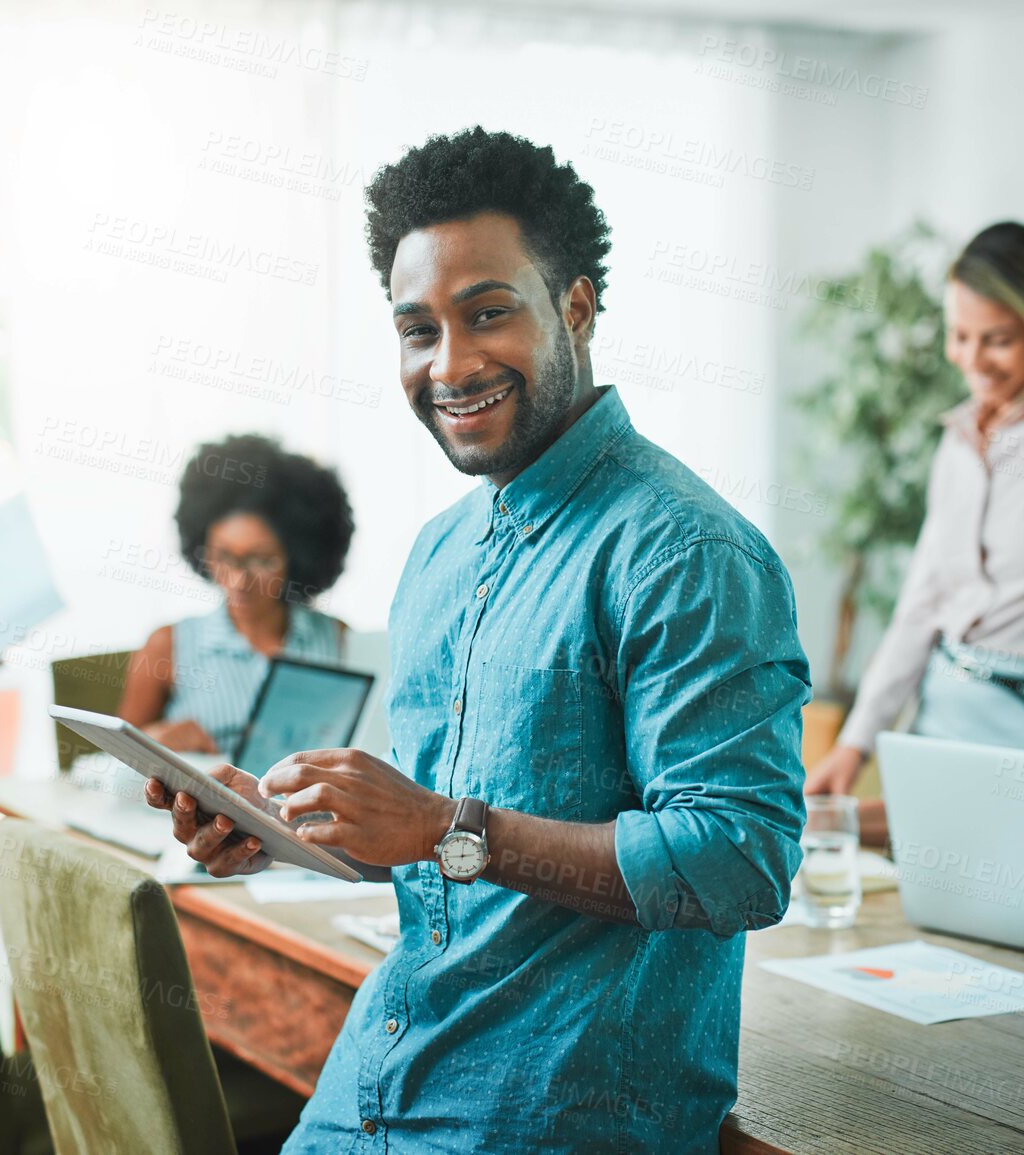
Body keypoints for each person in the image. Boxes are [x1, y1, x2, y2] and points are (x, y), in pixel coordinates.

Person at [145, 127, 810, 1152]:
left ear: (576, 306)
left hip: (543, 1122)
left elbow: (741, 862)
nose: (450, 365)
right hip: (372, 1094)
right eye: (418, 330)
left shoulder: (687, 552)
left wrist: (446, 829)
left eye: (488, 314)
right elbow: (429, 847)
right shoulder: (438, 555)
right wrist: (286, 826)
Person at [805, 222, 1024, 830]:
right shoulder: (959, 439)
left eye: (996, 340)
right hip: (939, 717)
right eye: (959, 336)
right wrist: (855, 742)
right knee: (912, 912)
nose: (971, 361)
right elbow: (922, 603)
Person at [116, 433, 354, 756]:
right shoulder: (167, 646)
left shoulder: (336, 639)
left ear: (297, 558)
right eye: (224, 556)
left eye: (261, 560)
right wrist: (154, 742)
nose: (240, 580)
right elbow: (113, 764)